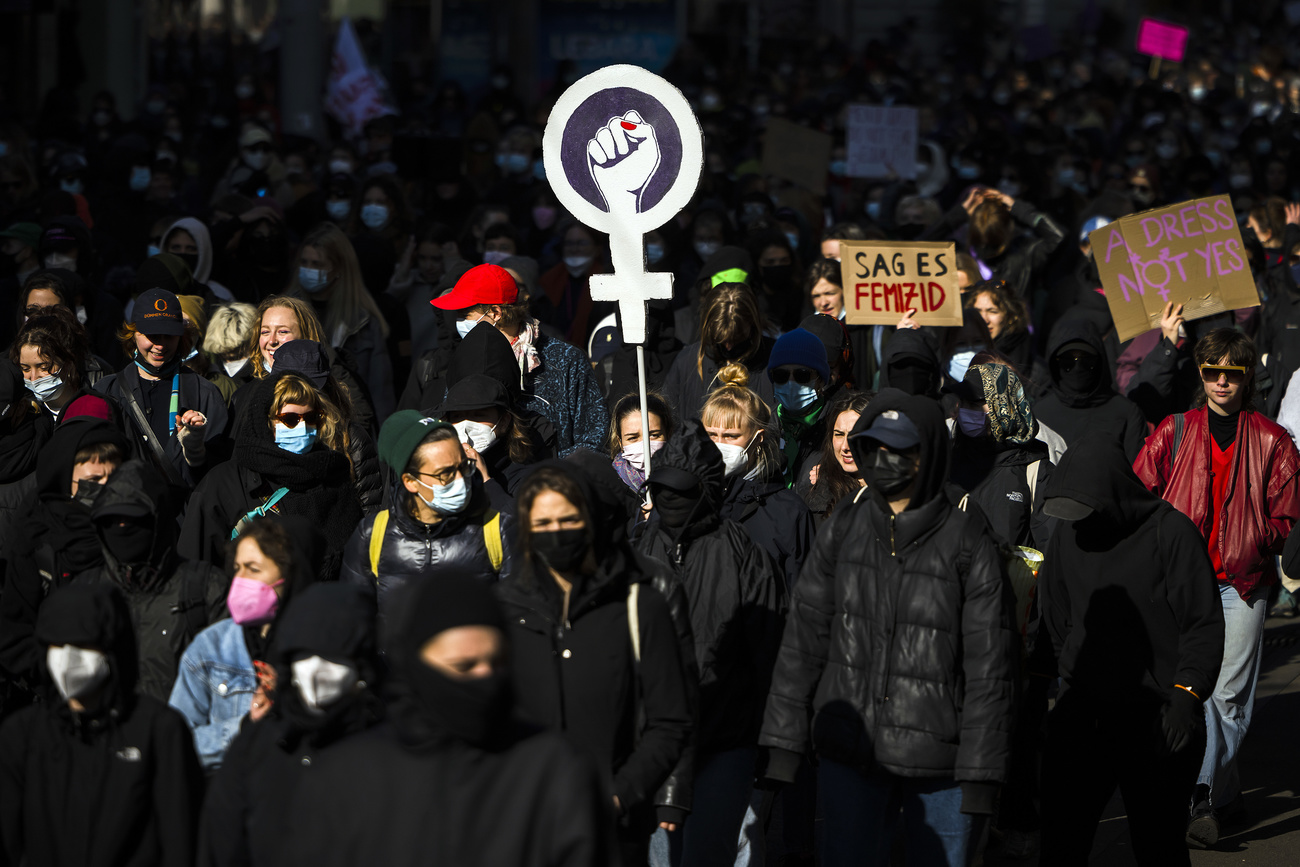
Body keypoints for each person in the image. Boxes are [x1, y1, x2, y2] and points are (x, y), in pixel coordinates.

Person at [758, 389, 1015, 867]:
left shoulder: (967, 543)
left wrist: (983, 774)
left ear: (930, 454)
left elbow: (990, 668)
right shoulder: (842, 531)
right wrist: (784, 741)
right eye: (875, 447)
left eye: (902, 449)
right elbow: (803, 641)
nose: (886, 460)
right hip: (851, 756)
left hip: (942, 765)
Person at [279, 571, 617, 867]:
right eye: (463, 667)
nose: (484, 678)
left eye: (496, 663)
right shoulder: (345, 779)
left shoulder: (552, 771)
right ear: (414, 666)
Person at [1132, 329, 1300, 848]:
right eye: (1212, 371)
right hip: (1181, 585)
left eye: (1233, 372)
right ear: (1201, 373)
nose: (1222, 382)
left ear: (1248, 375)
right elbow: (1140, 494)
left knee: (1227, 697)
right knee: (1186, 689)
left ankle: (1200, 796)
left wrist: (1254, 535)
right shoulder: (1173, 431)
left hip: (1242, 583)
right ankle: (1223, 795)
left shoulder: (1273, 440)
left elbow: (1288, 515)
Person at [1034, 438, 1225, 867]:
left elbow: (1203, 624)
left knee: (1158, 845)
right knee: (1062, 840)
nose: (1079, 523)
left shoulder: (1170, 533)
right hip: (1086, 713)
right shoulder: (1068, 535)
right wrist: (1067, 690)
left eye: (1085, 511)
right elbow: (1058, 617)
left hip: (1157, 715)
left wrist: (1186, 695)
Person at [497, 462, 692, 863]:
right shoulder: (501, 611)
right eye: (543, 522)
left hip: (612, 836)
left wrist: (620, 795)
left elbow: (670, 721)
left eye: (568, 519)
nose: (556, 532)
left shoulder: (640, 605)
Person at [637, 419, 786, 865]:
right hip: (653, 741)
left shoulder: (746, 556)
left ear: (706, 489)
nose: (669, 498)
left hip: (725, 736)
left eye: (681, 489)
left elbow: (769, 651)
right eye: (661, 488)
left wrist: (773, 744)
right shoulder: (640, 549)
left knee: (707, 855)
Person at [0, 583, 203, 867]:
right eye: (58, 644)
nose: (68, 659)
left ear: (112, 649)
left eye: (83, 644)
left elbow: (181, 839)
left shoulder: (159, 730)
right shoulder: (22, 735)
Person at [200, 583, 385, 867]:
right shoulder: (256, 747)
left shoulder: (392, 752)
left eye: (332, 657)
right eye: (303, 655)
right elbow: (222, 843)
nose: (315, 671)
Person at [170, 516, 325, 770]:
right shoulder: (212, 646)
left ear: (291, 574)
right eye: (237, 567)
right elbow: (178, 741)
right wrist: (243, 727)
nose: (239, 579)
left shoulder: (325, 647)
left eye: (253, 569)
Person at [407, 263, 610, 455]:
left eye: (465, 313)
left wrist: (552, 471)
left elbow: (593, 436)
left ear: (495, 312)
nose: (459, 322)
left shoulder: (565, 359)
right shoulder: (465, 357)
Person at [178, 372, 362, 582]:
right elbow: (194, 568)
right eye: (290, 419)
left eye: (311, 418)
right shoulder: (223, 483)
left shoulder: (331, 472)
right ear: (266, 421)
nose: (302, 427)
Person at [341, 411, 515, 630]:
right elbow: (354, 623)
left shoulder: (498, 530)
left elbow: (520, 623)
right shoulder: (371, 536)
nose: (461, 480)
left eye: (463, 467)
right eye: (445, 474)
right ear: (410, 482)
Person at [79, 460, 230, 701]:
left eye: (133, 519)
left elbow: (230, 685)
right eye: (112, 520)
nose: (122, 528)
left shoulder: (206, 588)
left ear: (157, 521)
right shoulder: (84, 593)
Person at [0, 418, 130, 697]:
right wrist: (62, 672)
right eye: (93, 481)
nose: (107, 489)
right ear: (63, 479)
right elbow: (15, 634)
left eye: (116, 478)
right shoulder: (37, 538)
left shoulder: (138, 528)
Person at [95, 286, 228, 489]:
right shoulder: (107, 391)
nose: (160, 345)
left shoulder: (205, 393)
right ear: (133, 334)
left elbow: (219, 476)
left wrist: (196, 451)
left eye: (169, 336)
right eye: (153, 336)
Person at [701, 363, 816, 593]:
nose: (719, 445)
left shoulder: (789, 512)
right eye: (712, 435)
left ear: (758, 438)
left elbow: (803, 594)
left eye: (731, 436)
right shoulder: (688, 500)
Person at [286, 223, 395, 421]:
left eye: (317, 264)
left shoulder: (362, 323)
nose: (308, 270)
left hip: (348, 422)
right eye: (304, 262)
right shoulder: (284, 314)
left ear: (339, 268)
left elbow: (380, 392)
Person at [230, 295, 376, 434]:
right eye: (265, 332)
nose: (272, 340)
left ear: (305, 335)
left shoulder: (330, 375)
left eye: (282, 331)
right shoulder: (243, 384)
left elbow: (360, 421)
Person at [949, 361, 1055, 550]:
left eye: (975, 403)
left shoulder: (1034, 470)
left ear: (1003, 405)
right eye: (963, 402)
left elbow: (1050, 548)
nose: (965, 410)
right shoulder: (948, 462)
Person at [270, 338, 383, 512]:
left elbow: (369, 510)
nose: (303, 399)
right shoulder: (260, 435)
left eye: (312, 390)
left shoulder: (350, 438)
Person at [1034, 318, 1149, 462]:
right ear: (1054, 363)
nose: (1078, 367)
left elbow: (1138, 475)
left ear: (1100, 362)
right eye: (1067, 361)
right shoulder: (1039, 416)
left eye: (1087, 360)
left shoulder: (1126, 413)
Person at [663, 283, 775, 420]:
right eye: (720, 339)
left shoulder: (773, 358)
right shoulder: (687, 361)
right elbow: (668, 418)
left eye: (737, 338)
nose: (729, 346)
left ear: (752, 322)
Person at [768, 327, 834, 487]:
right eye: (781, 375)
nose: (791, 383)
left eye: (802, 375)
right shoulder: (761, 425)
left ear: (820, 380)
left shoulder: (836, 427)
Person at [798, 391, 871, 524]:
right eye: (839, 434)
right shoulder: (818, 496)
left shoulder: (901, 491)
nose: (845, 446)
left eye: (855, 435)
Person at [608, 390, 674, 495]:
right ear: (620, 442)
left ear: (668, 435)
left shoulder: (685, 481)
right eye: (633, 438)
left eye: (654, 435)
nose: (644, 445)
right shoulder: (609, 486)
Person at [966, 279, 1032, 370]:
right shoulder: (956, 357)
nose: (984, 320)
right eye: (977, 311)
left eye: (993, 312)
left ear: (1010, 317)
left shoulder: (1031, 367)